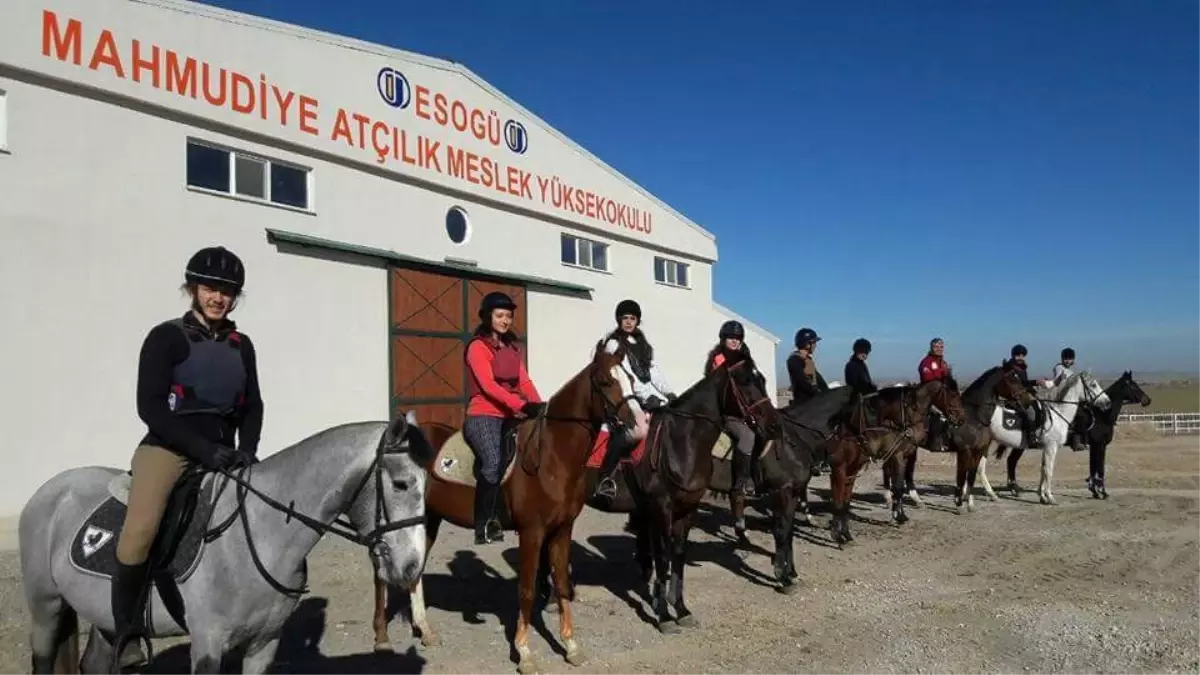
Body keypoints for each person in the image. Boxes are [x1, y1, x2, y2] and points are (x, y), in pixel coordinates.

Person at [111, 246, 264, 656]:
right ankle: (124, 632)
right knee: (139, 532)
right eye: (212, 288)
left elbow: (253, 405)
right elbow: (151, 407)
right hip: (168, 448)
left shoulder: (241, 344)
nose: (220, 298)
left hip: (223, 452)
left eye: (229, 292)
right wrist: (201, 449)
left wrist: (246, 450)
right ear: (193, 288)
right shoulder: (166, 338)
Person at [463, 291, 545, 545]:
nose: (505, 320)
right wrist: (521, 404)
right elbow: (488, 386)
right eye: (500, 315)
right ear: (488, 317)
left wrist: (539, 406)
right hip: (484, 414)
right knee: (493, 460)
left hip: (512, 413)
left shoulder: (511, 347)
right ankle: (485, 523)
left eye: (508, 316)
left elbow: (524, 381)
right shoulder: (478, 347)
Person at [593, 299, 675, 499]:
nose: (629, 322)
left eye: (632, 318)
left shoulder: (643, 345)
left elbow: (654, 373)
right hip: (625, 394)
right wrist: (647, 398)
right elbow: (622, 374)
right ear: (619, 320)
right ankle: (605, 477)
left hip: (648, 396)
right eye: (625, 318)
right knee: (639, 430)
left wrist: (670, 394)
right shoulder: (613, 344)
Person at [705, 320, 762, 495]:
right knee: (747, 436)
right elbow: (723, 388)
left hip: (745, 409)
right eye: (731, 338)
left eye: (738, 338)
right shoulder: (719, 359)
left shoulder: (745, 358)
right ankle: (742, 480)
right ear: (723, 339)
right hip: (727, 412)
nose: (735, 341)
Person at [918, 337, 953, 451]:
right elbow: (930, 383)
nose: (939, 349)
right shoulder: (926, 362)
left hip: (944, 396)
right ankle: (934, 441)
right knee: (937, 414)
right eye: (936, 347)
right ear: (931, 348)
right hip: (929, 397)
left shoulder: (944, 363)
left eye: (941, 347)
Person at [1053, 347, 1088, 452]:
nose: (1067, 361)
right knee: (1080, 415)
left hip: (1070, 398)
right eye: (1066, 359)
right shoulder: (1059, 368)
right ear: (1062, 359)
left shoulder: (1070, 371)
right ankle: (1076, 441)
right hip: (1062, 398)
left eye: (1070, 359)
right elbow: (1060, 379)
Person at [787, 327, 829, 407]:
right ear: (807, 344)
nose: (815, 346)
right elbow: (802, 381)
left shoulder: (808, 360)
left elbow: (819, 379)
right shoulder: (794, 360)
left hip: (813, 400)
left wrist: (827, 393)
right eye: (814, 343)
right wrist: (817, 394)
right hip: (804, 404)